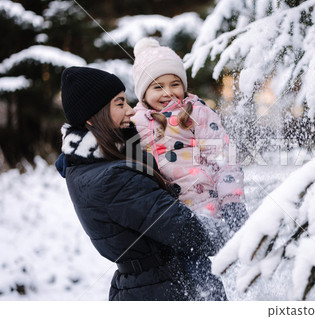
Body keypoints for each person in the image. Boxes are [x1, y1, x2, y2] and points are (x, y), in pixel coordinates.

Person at [55, 66, 227, 301]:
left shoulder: (82, 165)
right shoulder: (114, 179)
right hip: (160, 291)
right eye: (119, 103)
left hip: (146, 285)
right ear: (92, 115)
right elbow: (186, 231)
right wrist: (233, 233)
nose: (130, 111)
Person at [131, 38, 248, 239]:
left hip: (204, 208)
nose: (168, 93)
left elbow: (224, 157)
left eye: (175, 84)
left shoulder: (196, 113)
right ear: (143, 93)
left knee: (204, 267)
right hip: (165, 217)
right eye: (158, 87)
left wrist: (232, 202)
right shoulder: (135, 121)